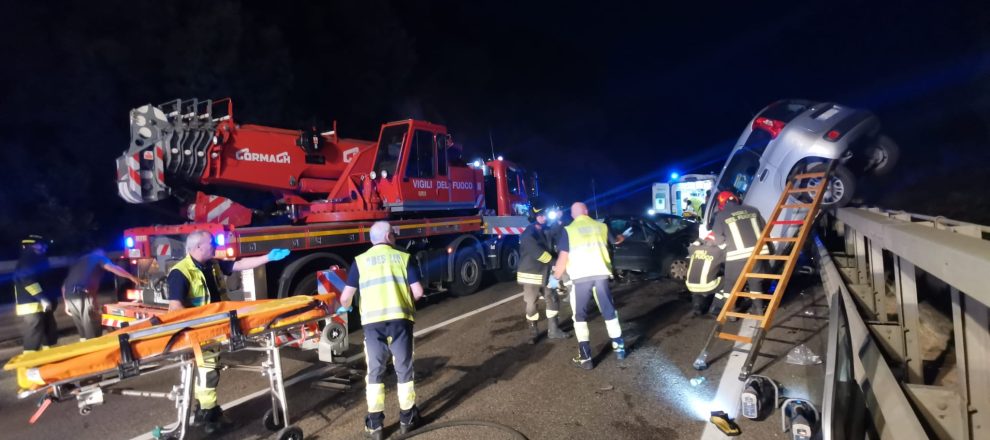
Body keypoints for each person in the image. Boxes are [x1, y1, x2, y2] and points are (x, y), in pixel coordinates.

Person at [165, 231, 290, 434]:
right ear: (198, 247)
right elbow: (175, 308)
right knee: (208, 372)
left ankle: (203, 411)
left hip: (214, 328)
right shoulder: (180, 272)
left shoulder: (211, 264)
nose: (215, 245)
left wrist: (268, 257)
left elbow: (238, 265)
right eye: (211, 242)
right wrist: (192, 332)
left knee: (206, 370)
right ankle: (210, 416)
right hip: (199, 333)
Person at [336, 221, 425, 440]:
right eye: (393, 233)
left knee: (375, 372)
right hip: (400, 321)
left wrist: (346, 306)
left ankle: (375, 425)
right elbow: (418, 292)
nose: (394, 236)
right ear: (388, 237)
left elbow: (345, 298)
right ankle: (407, 419)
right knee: (404, 370)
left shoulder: (360, 261)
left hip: (372, 325)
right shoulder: (403, 258)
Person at [552, 202, 626, 370]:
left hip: (580, 278)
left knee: (580, 316)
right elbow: (616, 241)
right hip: (600, 275)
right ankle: (619, 348)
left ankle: (586, 358)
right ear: (586, 211)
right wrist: (622, 237)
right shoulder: (601, 226)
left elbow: (563, 259)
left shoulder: (569, 230)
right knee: (609, 311)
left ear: (573, 215)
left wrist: (555, 279)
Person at [710, 190, 770, 315]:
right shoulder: (753, 210)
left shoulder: (721, 216)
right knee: (755, 281)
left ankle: (731, 312)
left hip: (736, 256)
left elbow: (718, 238)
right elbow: (764, 229)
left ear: (721, 203)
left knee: (730, 283)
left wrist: (725, 249)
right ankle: (759, 309)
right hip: (758, 252)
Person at [517, 207, 571, 344]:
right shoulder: (528, 234)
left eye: (545, 215)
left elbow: (556, 231)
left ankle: (553, 330)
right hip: (532, 275)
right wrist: (557, 262)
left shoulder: (545, 229)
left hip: (549, 273)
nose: (544, 217)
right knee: (531, 304)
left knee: (552, 298)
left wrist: (559, 219)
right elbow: (539, 254)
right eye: (540, 215)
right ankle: (533, 333)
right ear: (534, 217)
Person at [62, 248, 142, 340]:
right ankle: (95, 346)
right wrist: (131, 277)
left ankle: (84, 344)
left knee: (83, 331)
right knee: (92, 327)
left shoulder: (80, 261)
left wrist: (66, 304)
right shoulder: (99, 258)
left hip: (69, 296)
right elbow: (113, 268)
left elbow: (64, 286)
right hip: (82, 295)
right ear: (101, 253)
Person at [685, 232, 724, 317]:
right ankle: (716, 306)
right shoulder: (718, 251)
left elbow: (694, 243)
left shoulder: (693, 249)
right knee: (729, 281)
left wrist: (701, 241)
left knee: (700, 284)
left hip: (690, 285)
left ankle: (697, 306)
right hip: (707, 286)